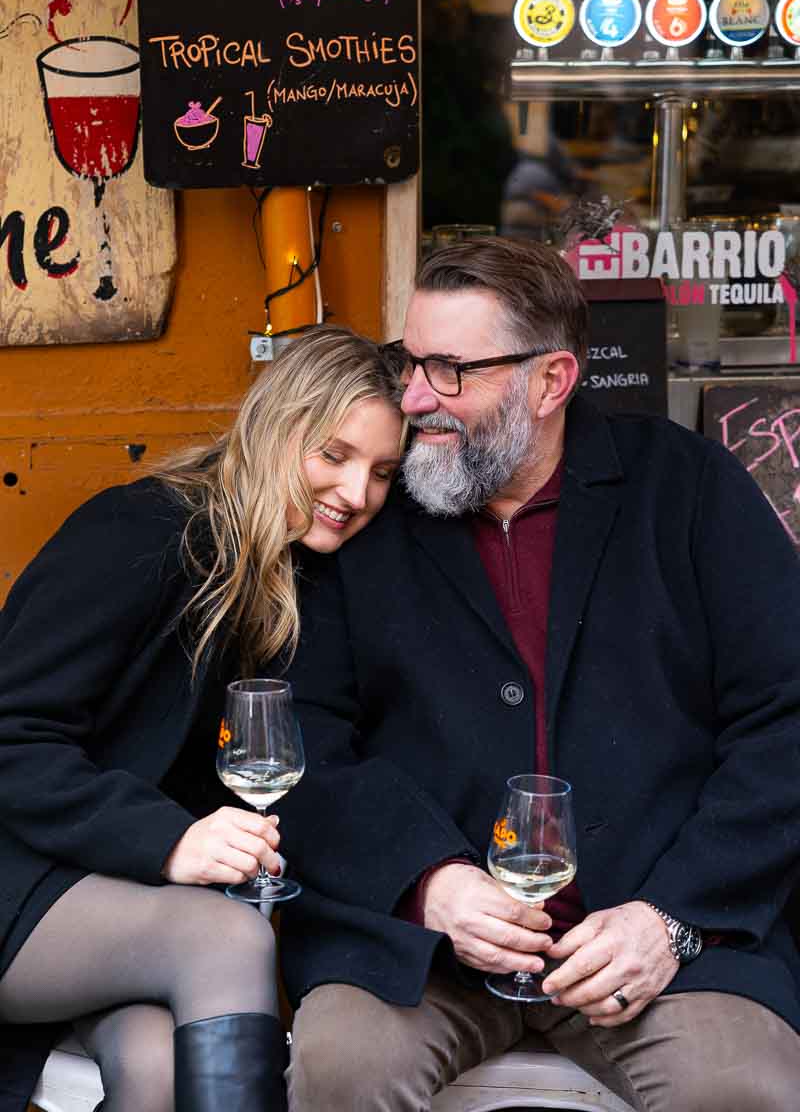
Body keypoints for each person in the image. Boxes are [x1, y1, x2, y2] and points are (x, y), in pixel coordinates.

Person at [275, 238, 800, 1112]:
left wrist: (669, 918)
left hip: (652, 937)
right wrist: (429, 882)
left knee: (743, 1086)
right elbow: (307, 736)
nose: (412, 398)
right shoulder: (368, 510)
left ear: (551, 381)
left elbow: (787, 715)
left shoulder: (685, 486)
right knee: (341, 1068)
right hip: (427, 949)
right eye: (410, 362)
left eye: (450, 371)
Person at [0, 326, 404, 1112]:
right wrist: (171, 840)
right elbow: (9, 734)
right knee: (226, 939)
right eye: (333, 454)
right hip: (24, 875)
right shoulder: (144, 533)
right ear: (273, 426)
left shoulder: (304, 580)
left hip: (119, 906)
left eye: (383, 472)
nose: (357, 494)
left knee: (158, 1070)